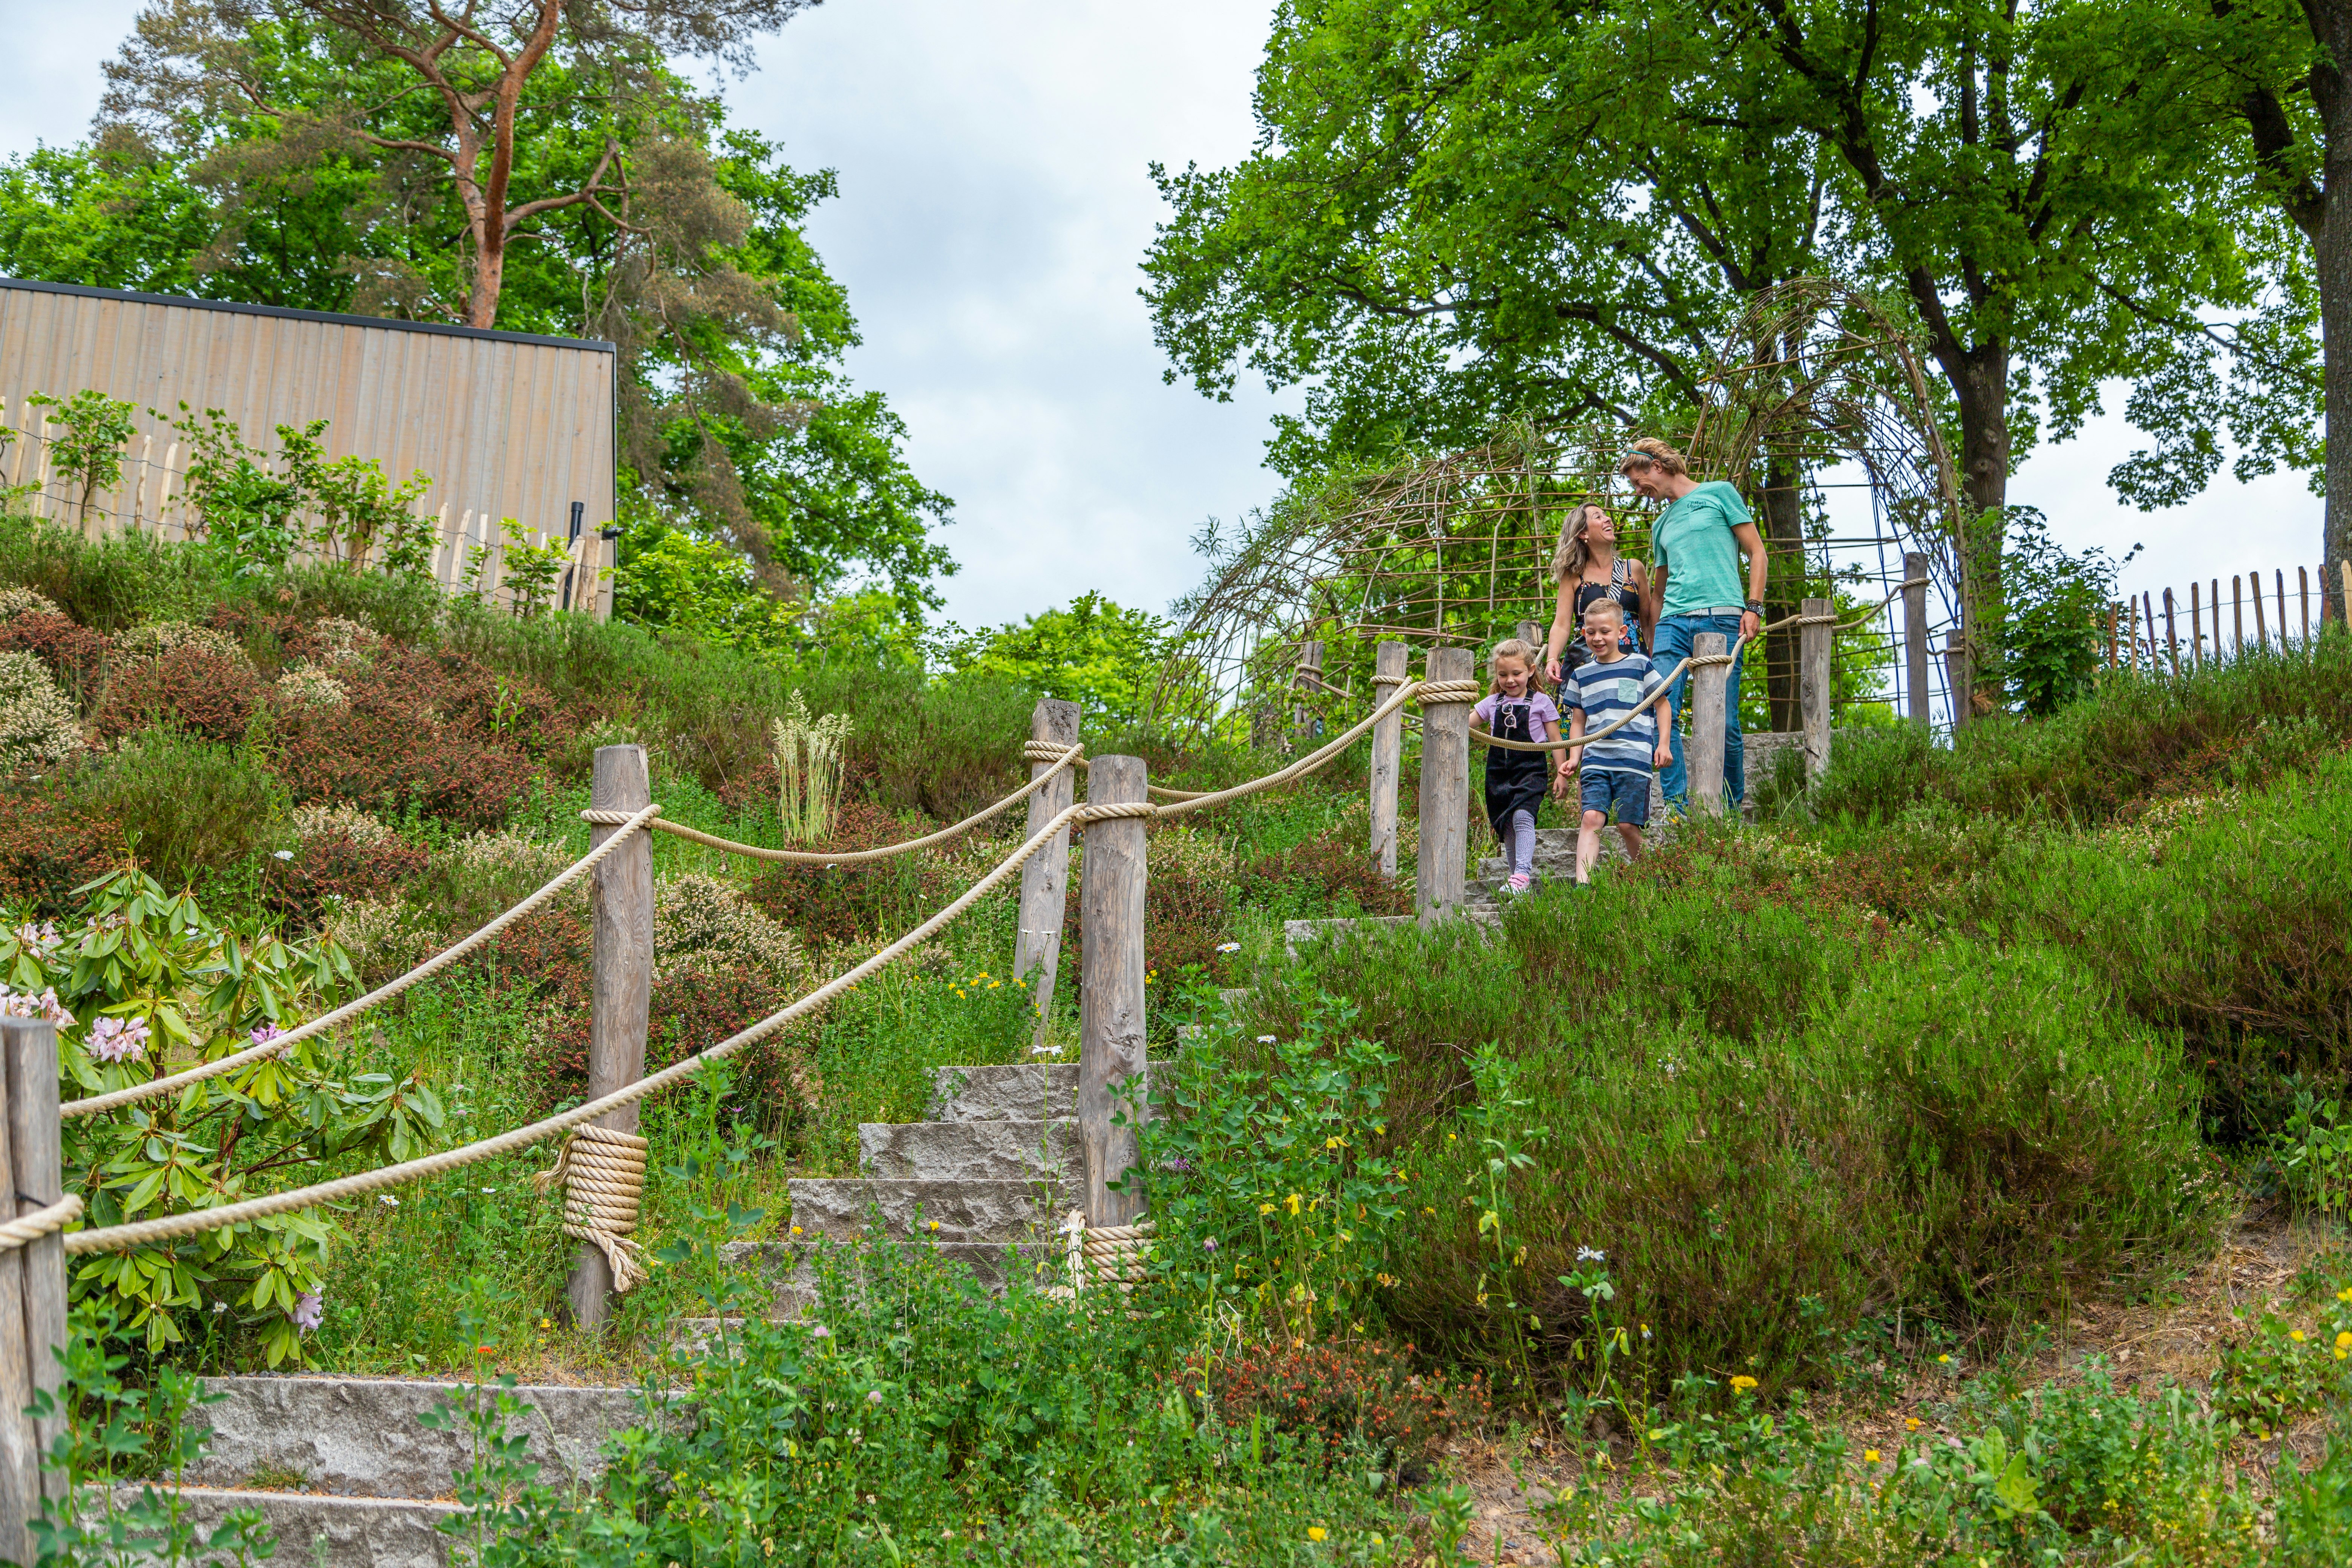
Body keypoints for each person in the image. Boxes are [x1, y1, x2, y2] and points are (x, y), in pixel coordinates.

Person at [1620, 437, 1767, 813]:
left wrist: (1754, 607)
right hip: (1672, 623)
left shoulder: (1719, 493)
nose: (1639, 491)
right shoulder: (1661, 525)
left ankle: (1733, 807)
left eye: (1639, 481)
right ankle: (1677, 810)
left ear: (1658, 465)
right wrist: (1652, 636)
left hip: (1722, 616)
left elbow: (1757, 551)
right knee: (1659, 710)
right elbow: (1659, 587)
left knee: (1726, 722)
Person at [1558, 600, 1672, 884]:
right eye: (1590, 632)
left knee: (1627, 826)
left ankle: (1654, 879)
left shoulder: (1639, 665)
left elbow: (1663, 705)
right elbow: (1578, 722)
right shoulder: (1581, 675)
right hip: (1596, 759)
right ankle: (1582, 887)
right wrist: (1575, 757)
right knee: (1591, 819)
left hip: (1633, 759)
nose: (1597, 638)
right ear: (1583, 632)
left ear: (1622, 632)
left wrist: (1664, 744)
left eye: (1605, 632)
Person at [1470, 638, 1568, 895]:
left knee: (1523, 817)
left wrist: (1562, 773)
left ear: (1531, 670)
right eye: (1503, 675)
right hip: (1498, 772)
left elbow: (1556, 741)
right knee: (1507, 824)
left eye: (1516, 673)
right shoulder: (1492, 703)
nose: (1510, 680)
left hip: (1530, 769)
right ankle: (1518, 885)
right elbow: (1467, 723)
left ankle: (1522, 874)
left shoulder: (1541, 702)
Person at [1543, 502, 1651, 684]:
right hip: (1588, 663)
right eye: (1598, 517)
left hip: (1632, 661)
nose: (1607, 519)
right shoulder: (1573, 575)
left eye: (1605, 515)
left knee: (1633, 712)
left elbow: (1648, 621)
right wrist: (1552, 658)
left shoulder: (1634, 569)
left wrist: (1655, 656)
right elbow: (1562, 624)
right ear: (1583, 534)